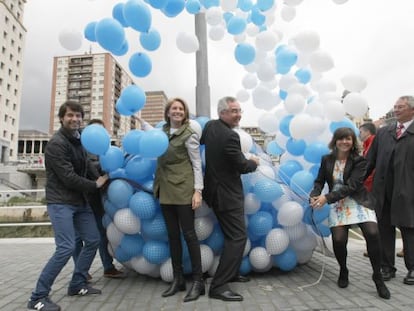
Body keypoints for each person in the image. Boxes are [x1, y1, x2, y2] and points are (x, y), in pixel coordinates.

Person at [27, 101, 109, 311]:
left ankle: (77, 284)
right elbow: (68, 177)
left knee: (92, 239)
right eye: (70, 115)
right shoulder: (56, 143)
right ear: (62, 118)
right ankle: (38, 297)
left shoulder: (78, 139)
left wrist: (101, 176)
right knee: (66, 247)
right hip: (60, 202)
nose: (74, 119)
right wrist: (95, 184)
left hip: (79, 202)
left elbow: (87, 164)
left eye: (78, 116)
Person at [310, 127, 390, 299]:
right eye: (341, 139)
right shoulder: (327, 159)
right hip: (337, 203)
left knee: (372, 233)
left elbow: (352, 186)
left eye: (348, 139)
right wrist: (315, 194)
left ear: (353, 141)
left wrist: (326, 198)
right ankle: (343, 269)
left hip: (358, 201)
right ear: (335, 141)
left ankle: (377, 276)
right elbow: (319, 181)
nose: (344, 142)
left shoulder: (359, 161)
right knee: (339, 240)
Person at [201, 96, 259, 302]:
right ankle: (218, 286)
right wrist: (253, 161)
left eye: (239, 110)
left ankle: (232, 273)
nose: (239, 115)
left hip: (214, 193)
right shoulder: (230, 137)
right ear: (222, 112)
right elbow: (242, 166)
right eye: (234, 111)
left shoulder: (209, 127)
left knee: (230, 235)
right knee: (237, 238)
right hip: (227, 196)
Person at [152, 98, 204, 302]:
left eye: (181, 109)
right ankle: (178, 279)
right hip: (165, 190)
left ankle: (198, 282)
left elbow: (197, 164)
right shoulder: (161, 133)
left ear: (185, 113)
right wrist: (138, 119)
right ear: (167, 112)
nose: (177, 111)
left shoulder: (189, 135)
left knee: (189, 235)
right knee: (173, 236)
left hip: (183, 189)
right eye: (174, 108)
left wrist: (197, 191)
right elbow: (149, 137)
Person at [365, 95, 414, 285]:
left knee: (409, 229)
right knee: (384, 228)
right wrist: (356, 180)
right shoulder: (384, 132)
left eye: (400, 107)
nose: (396, 110)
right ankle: (386, 267)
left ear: (412, 110)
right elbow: (369, 161)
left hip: (408, 190)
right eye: (395, 106)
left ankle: (412, 268)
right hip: (383, 190)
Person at [73, 119, 126, 280]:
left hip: (98, 200)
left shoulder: (107, 150)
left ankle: (108, 267)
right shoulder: (78, 148)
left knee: (102, 233)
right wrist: (101, 173)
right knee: (77, 238)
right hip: (78, 197)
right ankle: (81, 270)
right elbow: (83, 168)